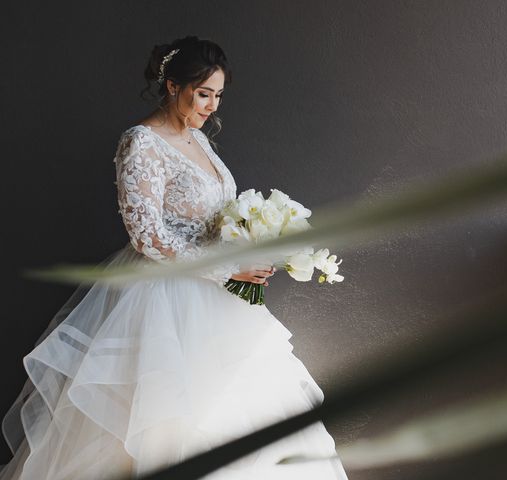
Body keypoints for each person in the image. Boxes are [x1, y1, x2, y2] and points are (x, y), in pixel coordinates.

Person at [0, 35, 348, 480]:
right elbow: (147, 236)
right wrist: (228, 268)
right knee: (162, 424)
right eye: (203, 94)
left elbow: (213, 214)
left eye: (218, 96)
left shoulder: (200, 140)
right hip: (163, 299)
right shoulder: (141, 143)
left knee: (239, 409)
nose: (212, 106)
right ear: (171, 85)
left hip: (218, 299)